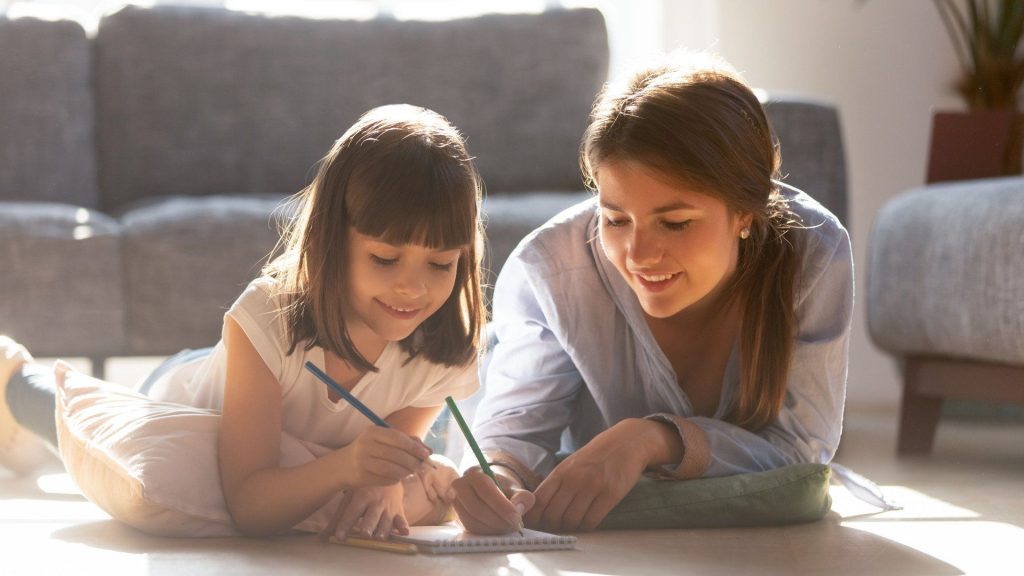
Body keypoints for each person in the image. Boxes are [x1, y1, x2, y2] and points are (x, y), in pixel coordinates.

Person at [0, 104, 486, 540]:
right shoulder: (268, 317)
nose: (413, 288)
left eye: (441, 264)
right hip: (185, 400)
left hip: (300, 454)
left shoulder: (443, 346)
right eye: (384, 258)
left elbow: (384, 461)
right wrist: (353, 468)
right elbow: (251, 508)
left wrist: (388, 480)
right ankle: (15, 384)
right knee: (116, 441)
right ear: (331, 239)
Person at [449, 52, 853, 534]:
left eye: (676, 223)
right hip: (484, 370)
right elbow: (512, 440)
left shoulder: (813, 252)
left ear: (745, 213)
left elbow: (801, 453)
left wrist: (651, 438)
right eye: (615, 219)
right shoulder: (551, 268)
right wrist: (497, 478)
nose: (638, 254)